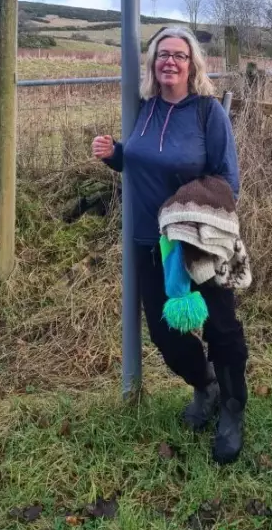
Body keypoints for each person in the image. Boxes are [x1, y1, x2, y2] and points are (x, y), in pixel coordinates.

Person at [92, 26, 248, 463]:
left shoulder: (206, 113)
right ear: (153, 63)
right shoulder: (143, 109)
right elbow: (143, 163)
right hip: (149, 241)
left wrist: (182, 206)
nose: (170, 62)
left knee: (221, 327)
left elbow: (227, 180)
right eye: (163, 55)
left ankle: (233, 409)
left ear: (192, 64)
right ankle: (206, 384)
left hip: (196, 240)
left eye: (179, 55)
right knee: (165, 332)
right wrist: (115, 155)